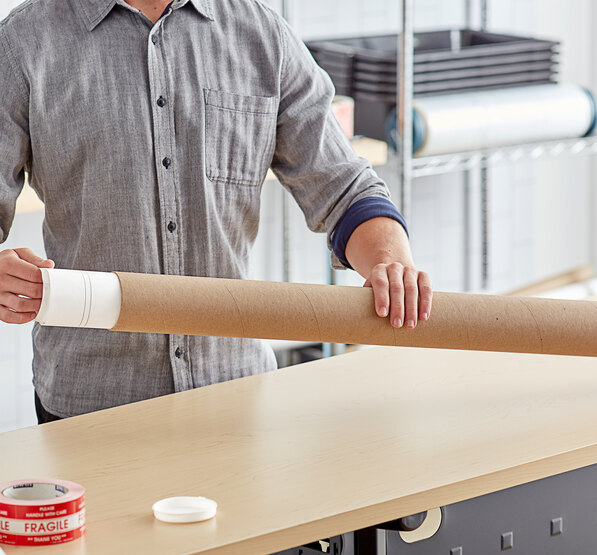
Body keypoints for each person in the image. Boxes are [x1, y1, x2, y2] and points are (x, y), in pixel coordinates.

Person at [0, 0, 433, 423]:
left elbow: (344, 187)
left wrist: (389, 260)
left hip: (236, 397)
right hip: (89, 404)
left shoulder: (262, 36)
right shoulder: (25, 42)